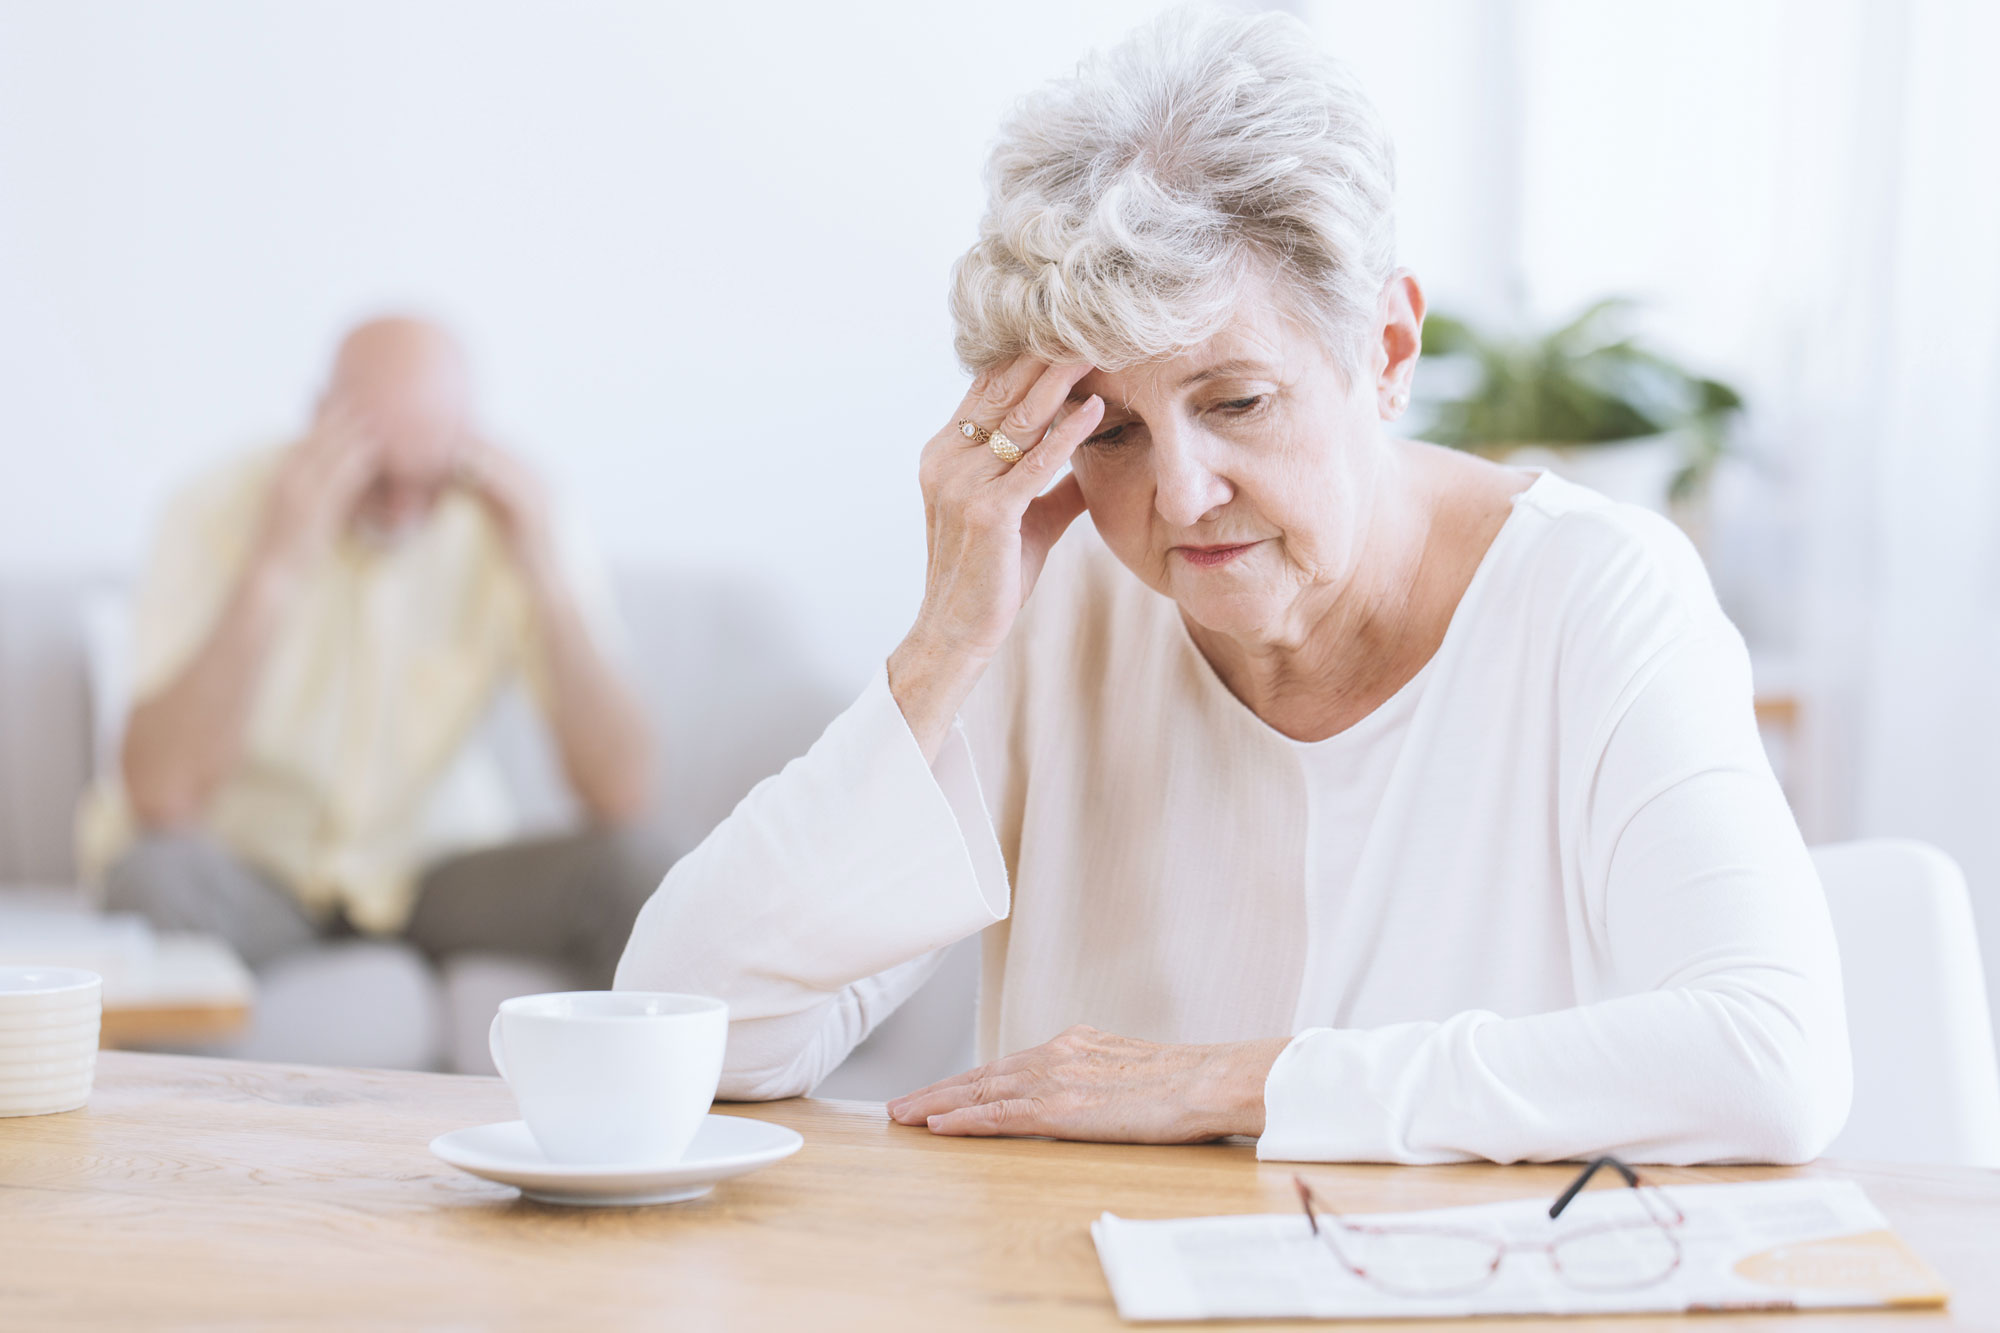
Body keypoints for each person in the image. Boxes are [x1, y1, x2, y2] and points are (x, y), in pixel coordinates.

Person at [615, 10, 1851, 1164]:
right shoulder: (1059, 603)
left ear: (1384, 352)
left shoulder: (1595, 594)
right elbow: (691, 1031)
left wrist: (1234, 1084)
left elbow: (1769, 1056)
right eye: (1110, 432)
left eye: (1236, 403)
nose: (1180, 495)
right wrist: (942, 644)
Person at [83, 316, 661, 990]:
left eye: (429, 479)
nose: (401, 510)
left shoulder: (516, 519)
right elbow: (159, 792)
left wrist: (545, 574)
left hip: (431, 873)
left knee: (642, 868)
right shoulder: (213, 508)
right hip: (256, 872)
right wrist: (273, 566)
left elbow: (624, 792)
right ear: (320, 419)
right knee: (151, 877)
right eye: (378, 477)